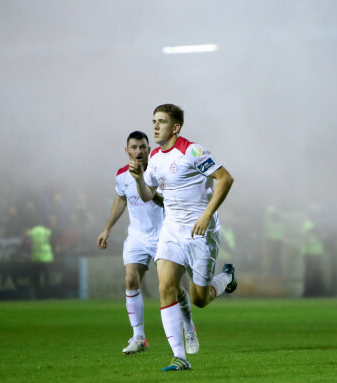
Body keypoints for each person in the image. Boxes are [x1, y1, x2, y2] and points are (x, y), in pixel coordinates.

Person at [129, 104, 236, 371]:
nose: (154, 126)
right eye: (153, 121)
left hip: (201, 232)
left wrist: (206, 215)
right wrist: (140, 179)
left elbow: (225, 179)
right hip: (172, 231)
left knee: (199, 299)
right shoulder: (154, 158)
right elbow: (148, 196)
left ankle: (227, 278)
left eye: (161, 122)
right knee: (166, 287)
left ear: (175, 128)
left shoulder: (193, 151)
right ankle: (180, 357)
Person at [97, 131, 199, 356]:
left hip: (165, 234)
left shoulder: (158, 170)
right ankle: (139, 336)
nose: (138, 151)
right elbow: (121, 198)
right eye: (134, 147)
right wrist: (107, 228)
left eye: (143, 147)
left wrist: (142, 182)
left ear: (149, 149)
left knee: (174, 287)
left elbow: (165, 200)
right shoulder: (122, 175)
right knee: (130, 278)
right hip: (137, 237)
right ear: (127, 151)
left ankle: (189, 328)